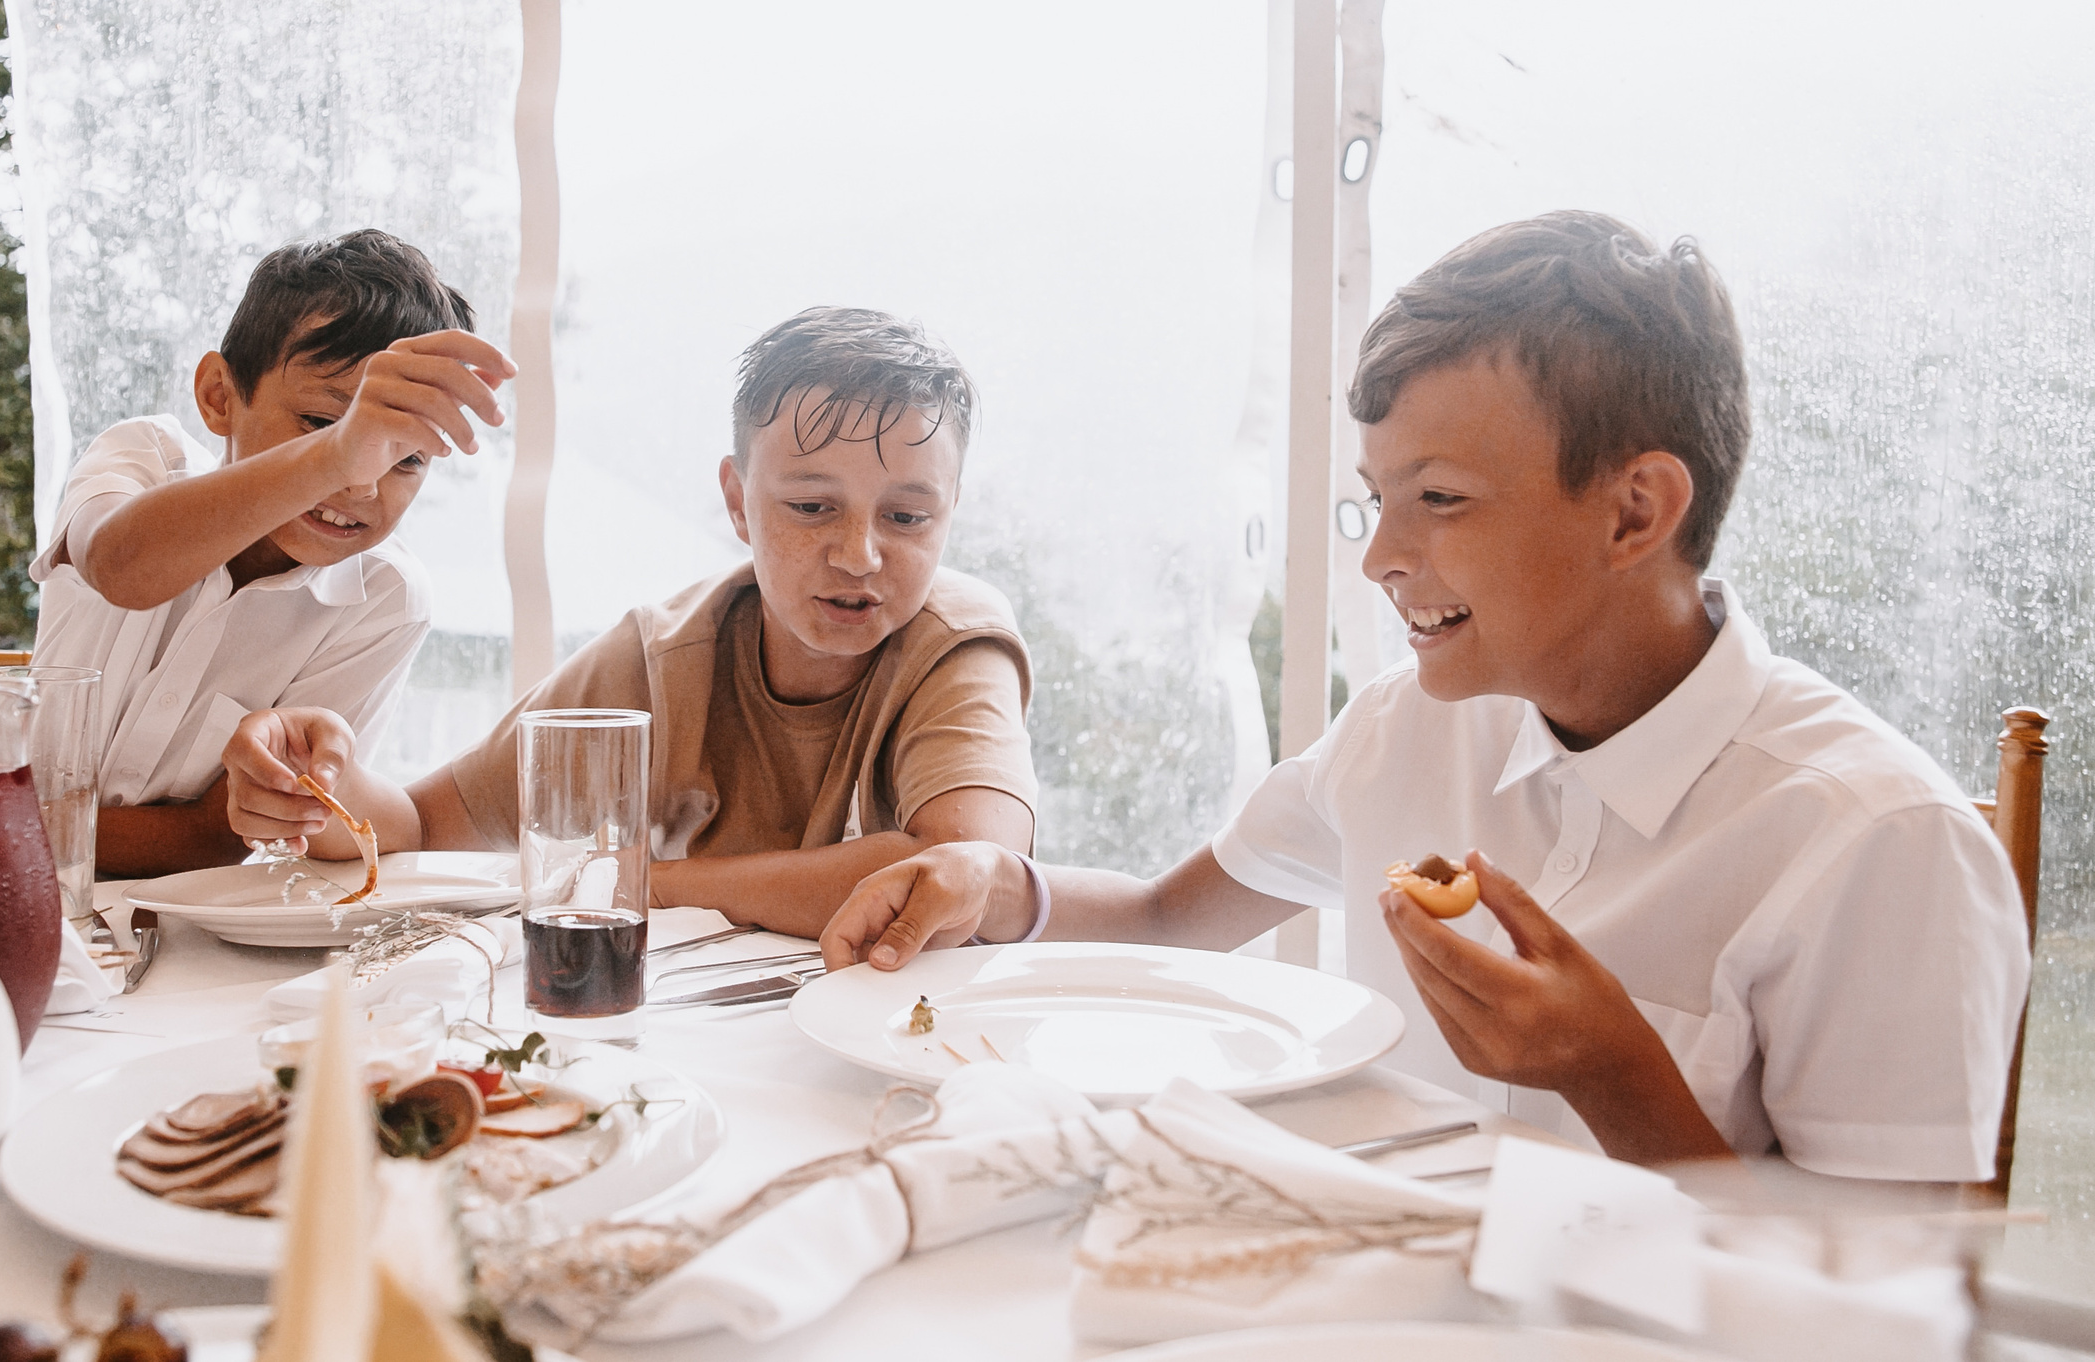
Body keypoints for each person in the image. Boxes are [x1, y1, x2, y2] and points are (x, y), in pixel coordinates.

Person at [820, 213, 2031, 1182]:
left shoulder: (1879, 843)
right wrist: (995, 884)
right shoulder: (1413, 724)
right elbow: (1161, 917)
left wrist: (1611, 1073)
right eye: (1377, 497)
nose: (1377, 555)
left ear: (1634, 509)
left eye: (1439, 499)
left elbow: (1881, 1314)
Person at [222, 306, 1040, 937]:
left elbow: (959, 868)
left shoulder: (956, 642)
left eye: (906, 518)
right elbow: (429, 825)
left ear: (951, 513)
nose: (859, 554)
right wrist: (318, 788)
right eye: (813, 506)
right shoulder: (663, 654)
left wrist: (645, 882)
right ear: (737, 501)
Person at [29, 228, 513, 878]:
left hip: (183, 925)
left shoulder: (387, 600)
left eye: (407, 458)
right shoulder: (143, 457)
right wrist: (338, 451)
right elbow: (121, 565)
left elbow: (223, 835)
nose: (362, 482)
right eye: (323, 424)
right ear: (220, 397)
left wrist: (5, 829)